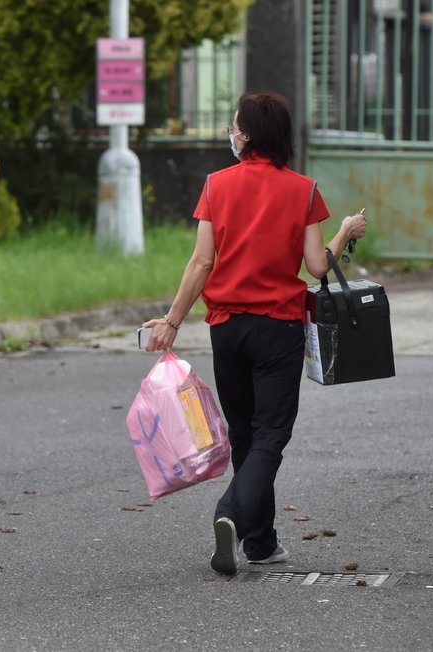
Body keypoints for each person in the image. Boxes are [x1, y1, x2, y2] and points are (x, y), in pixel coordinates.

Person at [142, 91, 367, 575]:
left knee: (246, 434)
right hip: (277, 329)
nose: (230, 129)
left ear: (246, 134)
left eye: (234, 123)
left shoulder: (215, 185)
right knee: (270, 436)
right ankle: (230, 512)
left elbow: (202, 262)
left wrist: (172, 320)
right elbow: (314, 267)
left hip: (226, 329)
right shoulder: (303, 190)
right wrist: (345, 231)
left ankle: (260, 543)